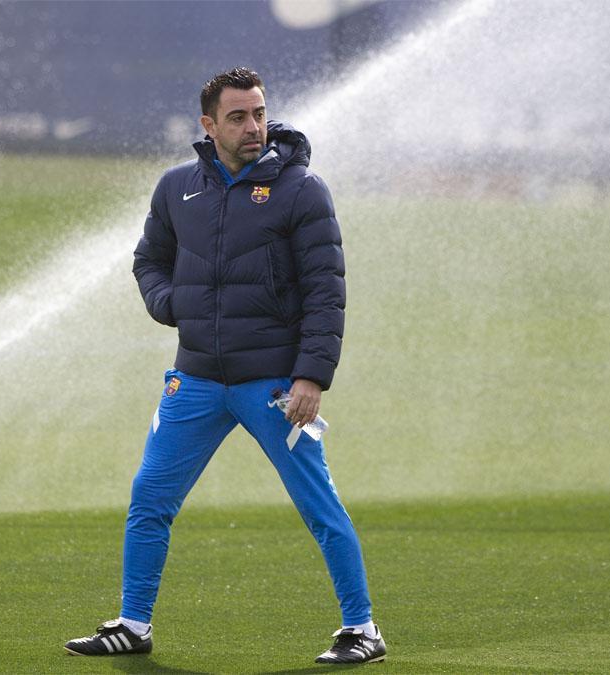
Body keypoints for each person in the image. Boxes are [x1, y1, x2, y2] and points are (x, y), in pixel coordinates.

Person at [64, 68, 386, 665]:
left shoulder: (302, 191)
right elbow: (148, 261)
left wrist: (312, 375)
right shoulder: (175, 188)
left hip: (273, 387)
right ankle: (134, 624)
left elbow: (326, 291)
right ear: (208, 125)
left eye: (259, 113)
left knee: (319, 506)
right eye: (237, 117)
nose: (253, 127)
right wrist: (171, 305)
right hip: (195, 381)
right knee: (149, 500)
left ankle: (362, 629)